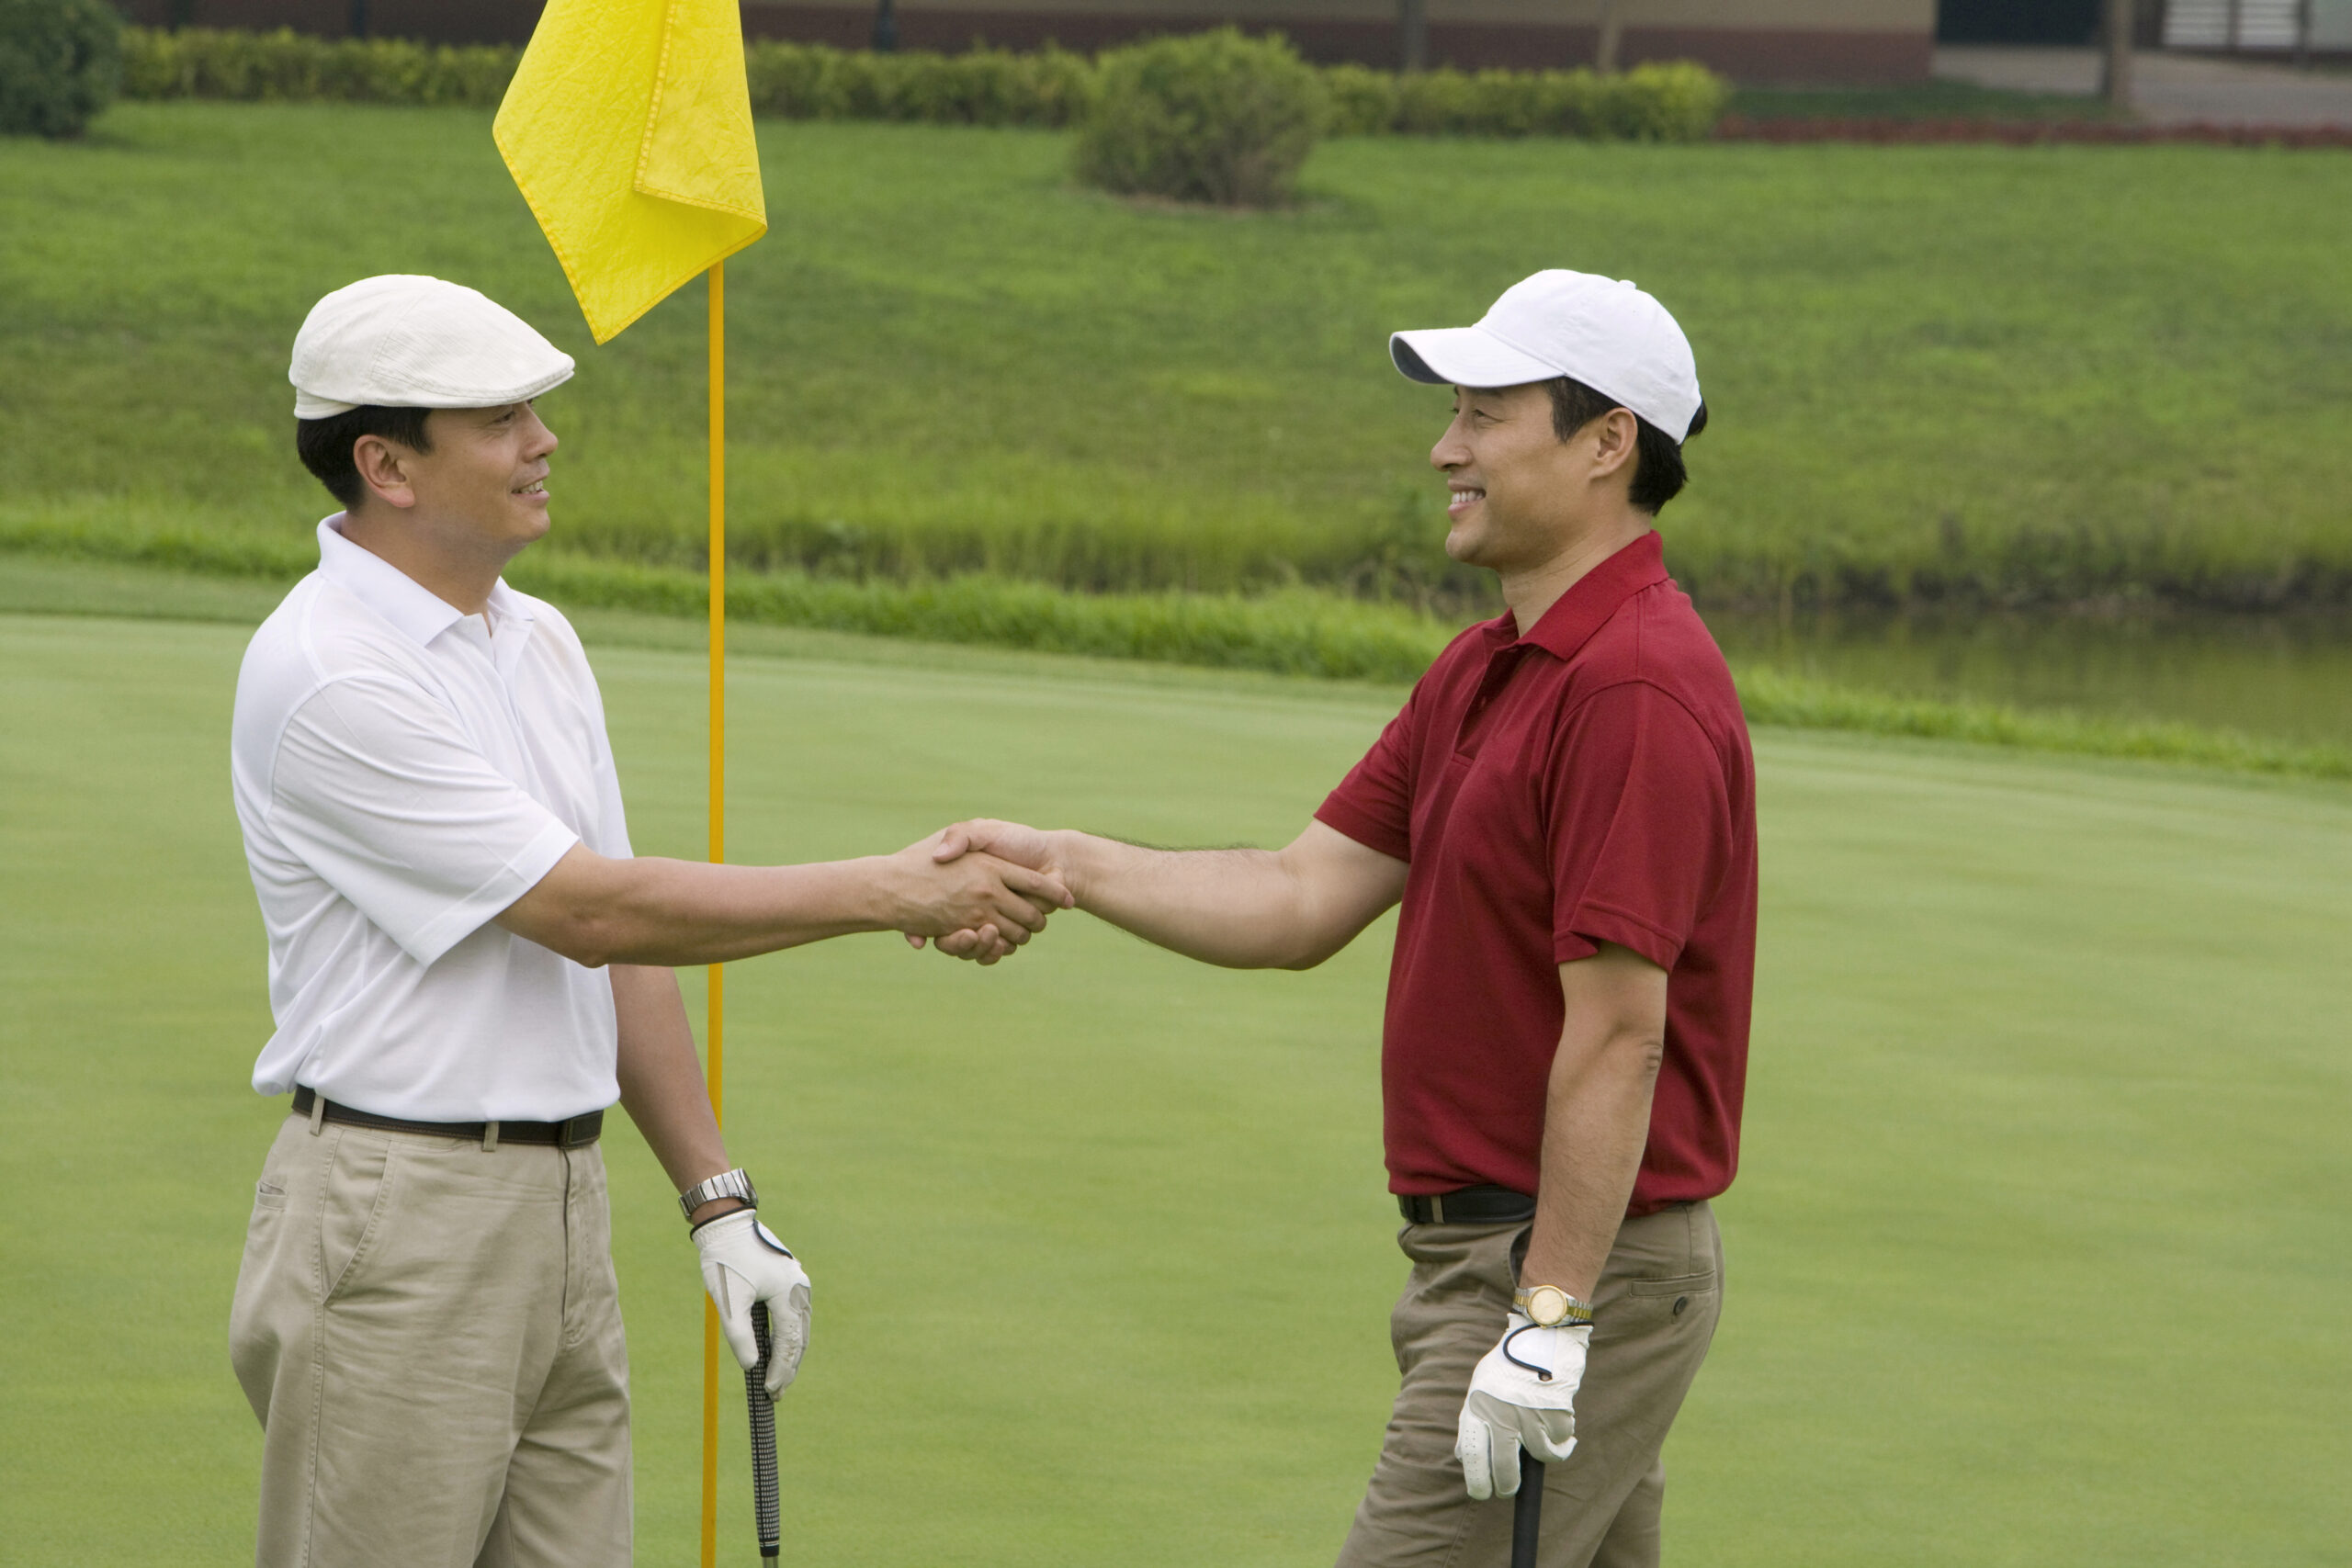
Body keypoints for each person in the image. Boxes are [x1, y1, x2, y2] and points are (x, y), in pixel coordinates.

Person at [227, 275, 1069, 1568]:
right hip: (399, 1214)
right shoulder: (328, 669)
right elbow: (586, 909)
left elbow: (615, 948)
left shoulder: (540, 640)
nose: (544, 440)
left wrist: (715, 1200)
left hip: (564, 1205)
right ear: (386, 463)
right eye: (501, 419)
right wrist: (896, 890)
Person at [928, 271, 1757, 1567]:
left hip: (1569, 1274)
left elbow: (1618, 1036)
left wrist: (1547, 1317)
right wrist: (1066, 862)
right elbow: (1299, 895)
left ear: (1608, 445)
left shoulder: (1632, 688)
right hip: (1496, 1268)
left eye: (1488, 414)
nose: (1446, 447)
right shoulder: (1488, 669)